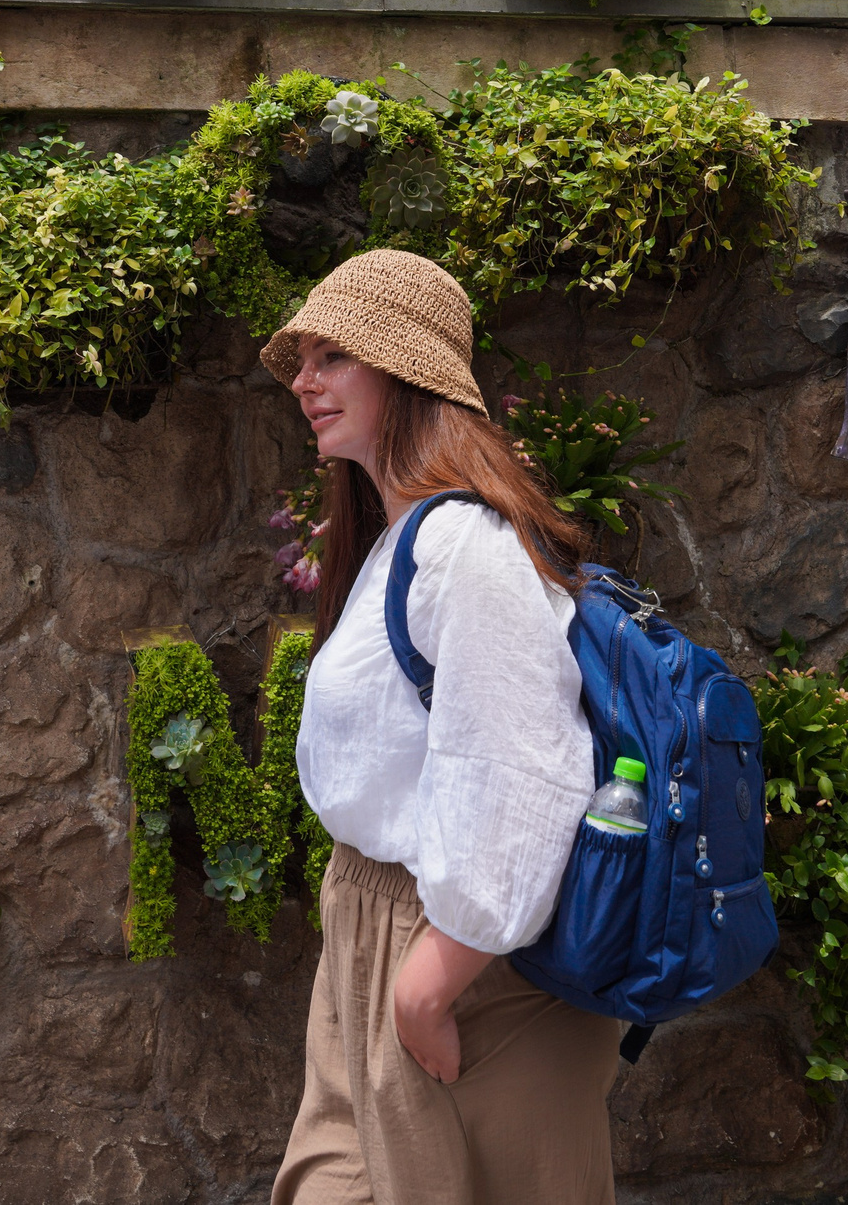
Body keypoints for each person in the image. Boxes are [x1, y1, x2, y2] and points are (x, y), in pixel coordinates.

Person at [262, 249, 621, 1205]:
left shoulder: (467, 545)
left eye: (334, 353)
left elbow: (525, 771)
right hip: (375, 933)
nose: (304, 379)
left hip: (457, 965)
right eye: (303, 355)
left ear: (407, 372)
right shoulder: (400, 537)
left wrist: (427, 984)